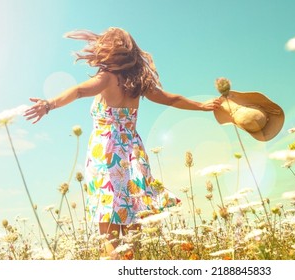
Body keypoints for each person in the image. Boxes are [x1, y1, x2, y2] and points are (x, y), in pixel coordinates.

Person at [23, 27, 221, 255]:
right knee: (133, 211)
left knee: (107, 217)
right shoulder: (138, 83)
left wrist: (49, 104)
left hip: (106, 154)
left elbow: (78, 91)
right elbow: (172, 99)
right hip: (132, 151)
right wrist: (202, 106)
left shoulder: (107, 78)